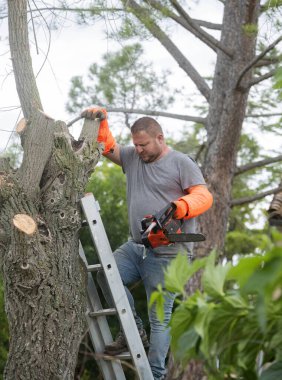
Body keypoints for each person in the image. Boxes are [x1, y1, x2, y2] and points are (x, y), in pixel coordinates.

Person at [81, 107, 213, 380]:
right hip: (137, 246)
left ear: (160, 138)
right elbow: (107, 148)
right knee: (106, 275)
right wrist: (102, 121)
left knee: (160, 318)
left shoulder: (180, 163)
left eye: (144, 144)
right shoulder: (132, 157)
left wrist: (180, 207)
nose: (139, 150)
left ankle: (155, 374)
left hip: (169, 254)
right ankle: (132, 328)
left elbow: (204, 195)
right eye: (136, 145)